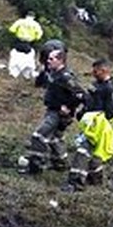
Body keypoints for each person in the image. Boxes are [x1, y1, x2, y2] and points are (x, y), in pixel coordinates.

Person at [19, 47, 86, 175]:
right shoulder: (52, 73)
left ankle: (35, 167)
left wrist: (69, 107)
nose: (48, 61)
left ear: (60, 61)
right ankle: (60, 163)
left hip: (58, 114)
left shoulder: (66, 77)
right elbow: (38, 83)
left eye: (51, 59)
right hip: (51, 110)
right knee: (55, 138)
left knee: (39, 136)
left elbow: (81, 94)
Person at [65, 58, 113, 191]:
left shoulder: (110, 88)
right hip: (90, 123)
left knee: (83, 152)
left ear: (104, 70)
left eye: (96, 71)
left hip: (99, 126)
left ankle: (75, 183)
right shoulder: (96, 85)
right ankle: (95, 179)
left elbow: (111, 112)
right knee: (95, 155)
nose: (93, 73)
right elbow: (89, 101)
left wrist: (97, 121)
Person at [8, 12, 43, 79]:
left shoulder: (20, 21)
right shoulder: (36, 24)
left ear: (26, 16)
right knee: (29, 60)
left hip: (19, 42)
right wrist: (34, 38)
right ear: (33, 17)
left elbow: (11, 30)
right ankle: (27, 75)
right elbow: (39, 35)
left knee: (15, 57)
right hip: (29, 44)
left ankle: (13, 73)